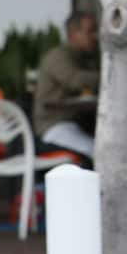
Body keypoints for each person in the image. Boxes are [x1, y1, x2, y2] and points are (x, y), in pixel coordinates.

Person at [32, 10, 99, 161]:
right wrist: (110, 77)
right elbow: (75, 80)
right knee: (98, 152)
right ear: (74, 34)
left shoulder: (84, 57)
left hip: (72, 125)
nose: (96, 36)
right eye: (90, 31)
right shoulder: (58, 56)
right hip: (53, 127)